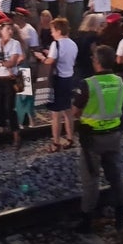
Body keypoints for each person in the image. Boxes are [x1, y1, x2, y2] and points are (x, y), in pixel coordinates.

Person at [72, 45, 123, 234]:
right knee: (115, 175)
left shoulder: (88, 84)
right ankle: (121, 214)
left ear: (96, 62)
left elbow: (76, 110)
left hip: (92, 139)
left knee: (91, 180)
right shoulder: (120, 82)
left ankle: (86, 220)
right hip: (113, 136)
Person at [34, 17, 78, 152]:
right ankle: (71, 138)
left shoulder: (56, 44)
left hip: (58, 79)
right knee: (68, 110)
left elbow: (50, 61)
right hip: (69, 77)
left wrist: (42, 57)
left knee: (56, 113)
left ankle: (56, 141)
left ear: (58, 31)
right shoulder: (72, 44)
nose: (52, 33)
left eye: (53, 30)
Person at [0, 19, 23, 147]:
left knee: (10, 107)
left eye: (11, 28)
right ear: (1, 30)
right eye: (7, 29)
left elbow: (12, 62)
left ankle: (16, 134)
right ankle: (2, 125)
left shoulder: (15, 44)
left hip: (9, 79)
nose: (10, 31)